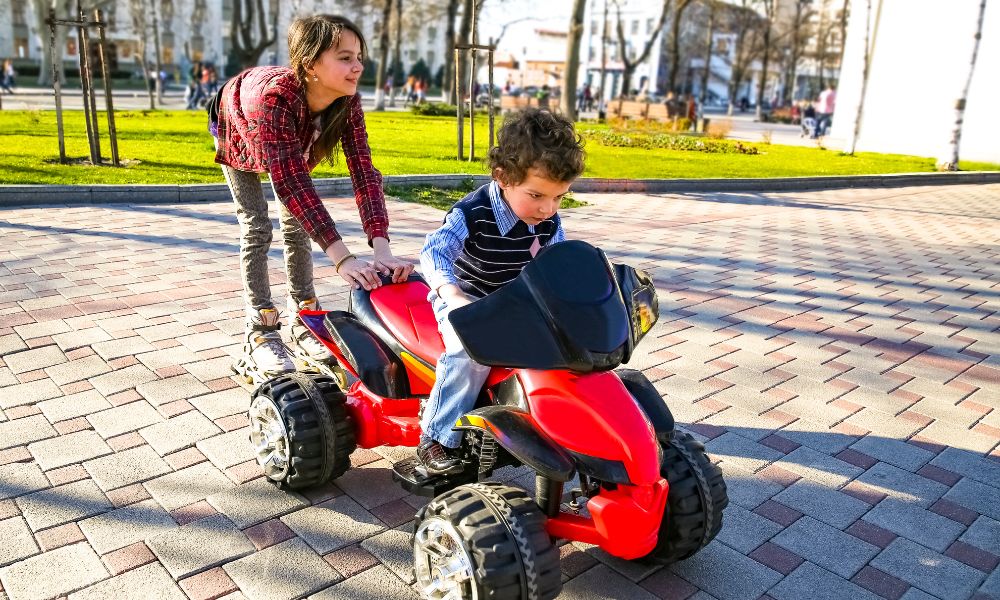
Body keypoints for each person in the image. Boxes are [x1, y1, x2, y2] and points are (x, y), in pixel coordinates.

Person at [211, 14, 413, 383]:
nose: (358, 67)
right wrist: (342, 259)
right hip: (237, 121)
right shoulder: (274, 100)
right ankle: (261, 329)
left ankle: (304, 317)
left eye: (358, 57)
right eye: (345, 58)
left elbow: (363, 171)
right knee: (257, 226)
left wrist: (381, 247)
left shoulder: (346, 102)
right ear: (310, 65)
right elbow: (290, 182)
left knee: (297, 226)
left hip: (293, 136)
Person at [415, 108, 586, 474]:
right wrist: (451, 293)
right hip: (468, 299)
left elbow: (558, 260)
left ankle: (556, 422)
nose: (548, 208)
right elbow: (434, 252)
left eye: (559, 198)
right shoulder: (471, 213)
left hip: (513, 301)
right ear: (503, 177)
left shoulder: (546, 218)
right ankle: (436, 435)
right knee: (469, 353)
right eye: (537, 195)